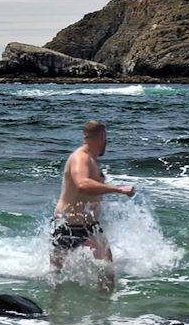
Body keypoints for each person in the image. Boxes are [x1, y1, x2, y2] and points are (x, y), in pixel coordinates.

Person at [50, 120, 135, 291]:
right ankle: (54, 305)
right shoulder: (80, 157)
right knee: (56, 276)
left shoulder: (90, 159)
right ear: (102, 136)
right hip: (70, 225)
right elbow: (83, 184)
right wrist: (119, 189)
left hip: (89, 226)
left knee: (107, 270)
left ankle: (102, 305)